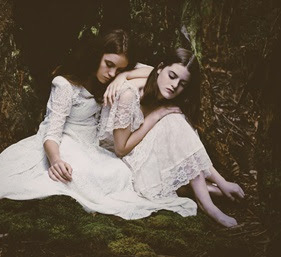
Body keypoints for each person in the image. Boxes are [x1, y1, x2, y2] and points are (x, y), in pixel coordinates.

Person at [0, 30, 197, 224]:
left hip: (93, 146)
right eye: (109, 65)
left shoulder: (110, 82)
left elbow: (155, 71)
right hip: (63, 142)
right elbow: (52, 131)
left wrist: (125, 75)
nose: (112, 73)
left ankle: (195, 183)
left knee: (119, 173)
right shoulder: (65, 85)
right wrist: (55, 159)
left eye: (119, 69)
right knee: (73, 178)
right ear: (97, 56)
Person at [98, 48, 245, 227]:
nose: (175, 85)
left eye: (182, 83)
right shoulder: (130, 94)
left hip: (144, 148)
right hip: (121, 156)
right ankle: (208, 204)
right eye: (172, 75)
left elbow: (187, 146)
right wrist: (156, 115)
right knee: (171, 118)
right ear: (160, 68)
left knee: (174, 119)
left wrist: (221, 182)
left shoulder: (161, 87)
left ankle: (212, 189)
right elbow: (121, 149)